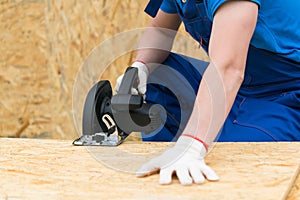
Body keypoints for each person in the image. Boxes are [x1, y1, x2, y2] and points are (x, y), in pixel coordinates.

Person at [115, 0, 300, 185]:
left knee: (233, 158)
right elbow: (161, 29)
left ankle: (189, 153)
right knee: (158, 74)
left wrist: (192, 144)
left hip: (286, 95)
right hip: (240, 86)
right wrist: (141, 67)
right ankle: (168, 164)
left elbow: (229, 69)